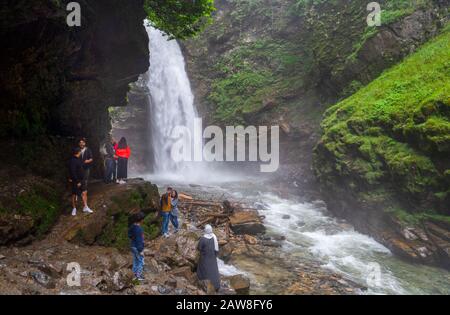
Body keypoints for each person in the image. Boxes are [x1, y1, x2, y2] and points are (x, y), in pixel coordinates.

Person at [197, 224, 220, 292]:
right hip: (212, 257)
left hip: (205, 257)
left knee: (203, 269)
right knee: (213, 270)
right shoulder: (214, 237)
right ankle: (216, 285)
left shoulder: (203, 239)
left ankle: (204, 282)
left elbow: (199, 248)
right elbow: (216, 249)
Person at [128, 212, 145, 281]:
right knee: (140, 261)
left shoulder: (132, 226)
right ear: (141, 220)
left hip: (132, 245)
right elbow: (139, 241)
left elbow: (129, 235)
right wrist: (141, 250)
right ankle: (139, 276)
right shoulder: (138, 229)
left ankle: (134, 274)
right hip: (137, 247)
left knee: (135, 260)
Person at [78, 138, 94, 214]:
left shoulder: (88, 150)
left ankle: (83, 191)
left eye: (82, 142)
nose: (81, 144)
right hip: (79, 169)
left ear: (85, 143)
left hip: (86, 168)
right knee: (81, 181)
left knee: (85, 181)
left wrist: (87, 161)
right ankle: (82, 192)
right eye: (80, 142)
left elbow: (91, 159)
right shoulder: (77, 150)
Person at [69, 147, 84, 216]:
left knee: (82, 192)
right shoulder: (73, 160)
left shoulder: (78, 159)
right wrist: (77, 181)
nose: (81, 152)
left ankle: (85, 206)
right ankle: (74, 209)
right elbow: (72, 171)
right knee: (74, 194)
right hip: (76, 180)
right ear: (78, 152)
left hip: (79, 180)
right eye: (80, 152)